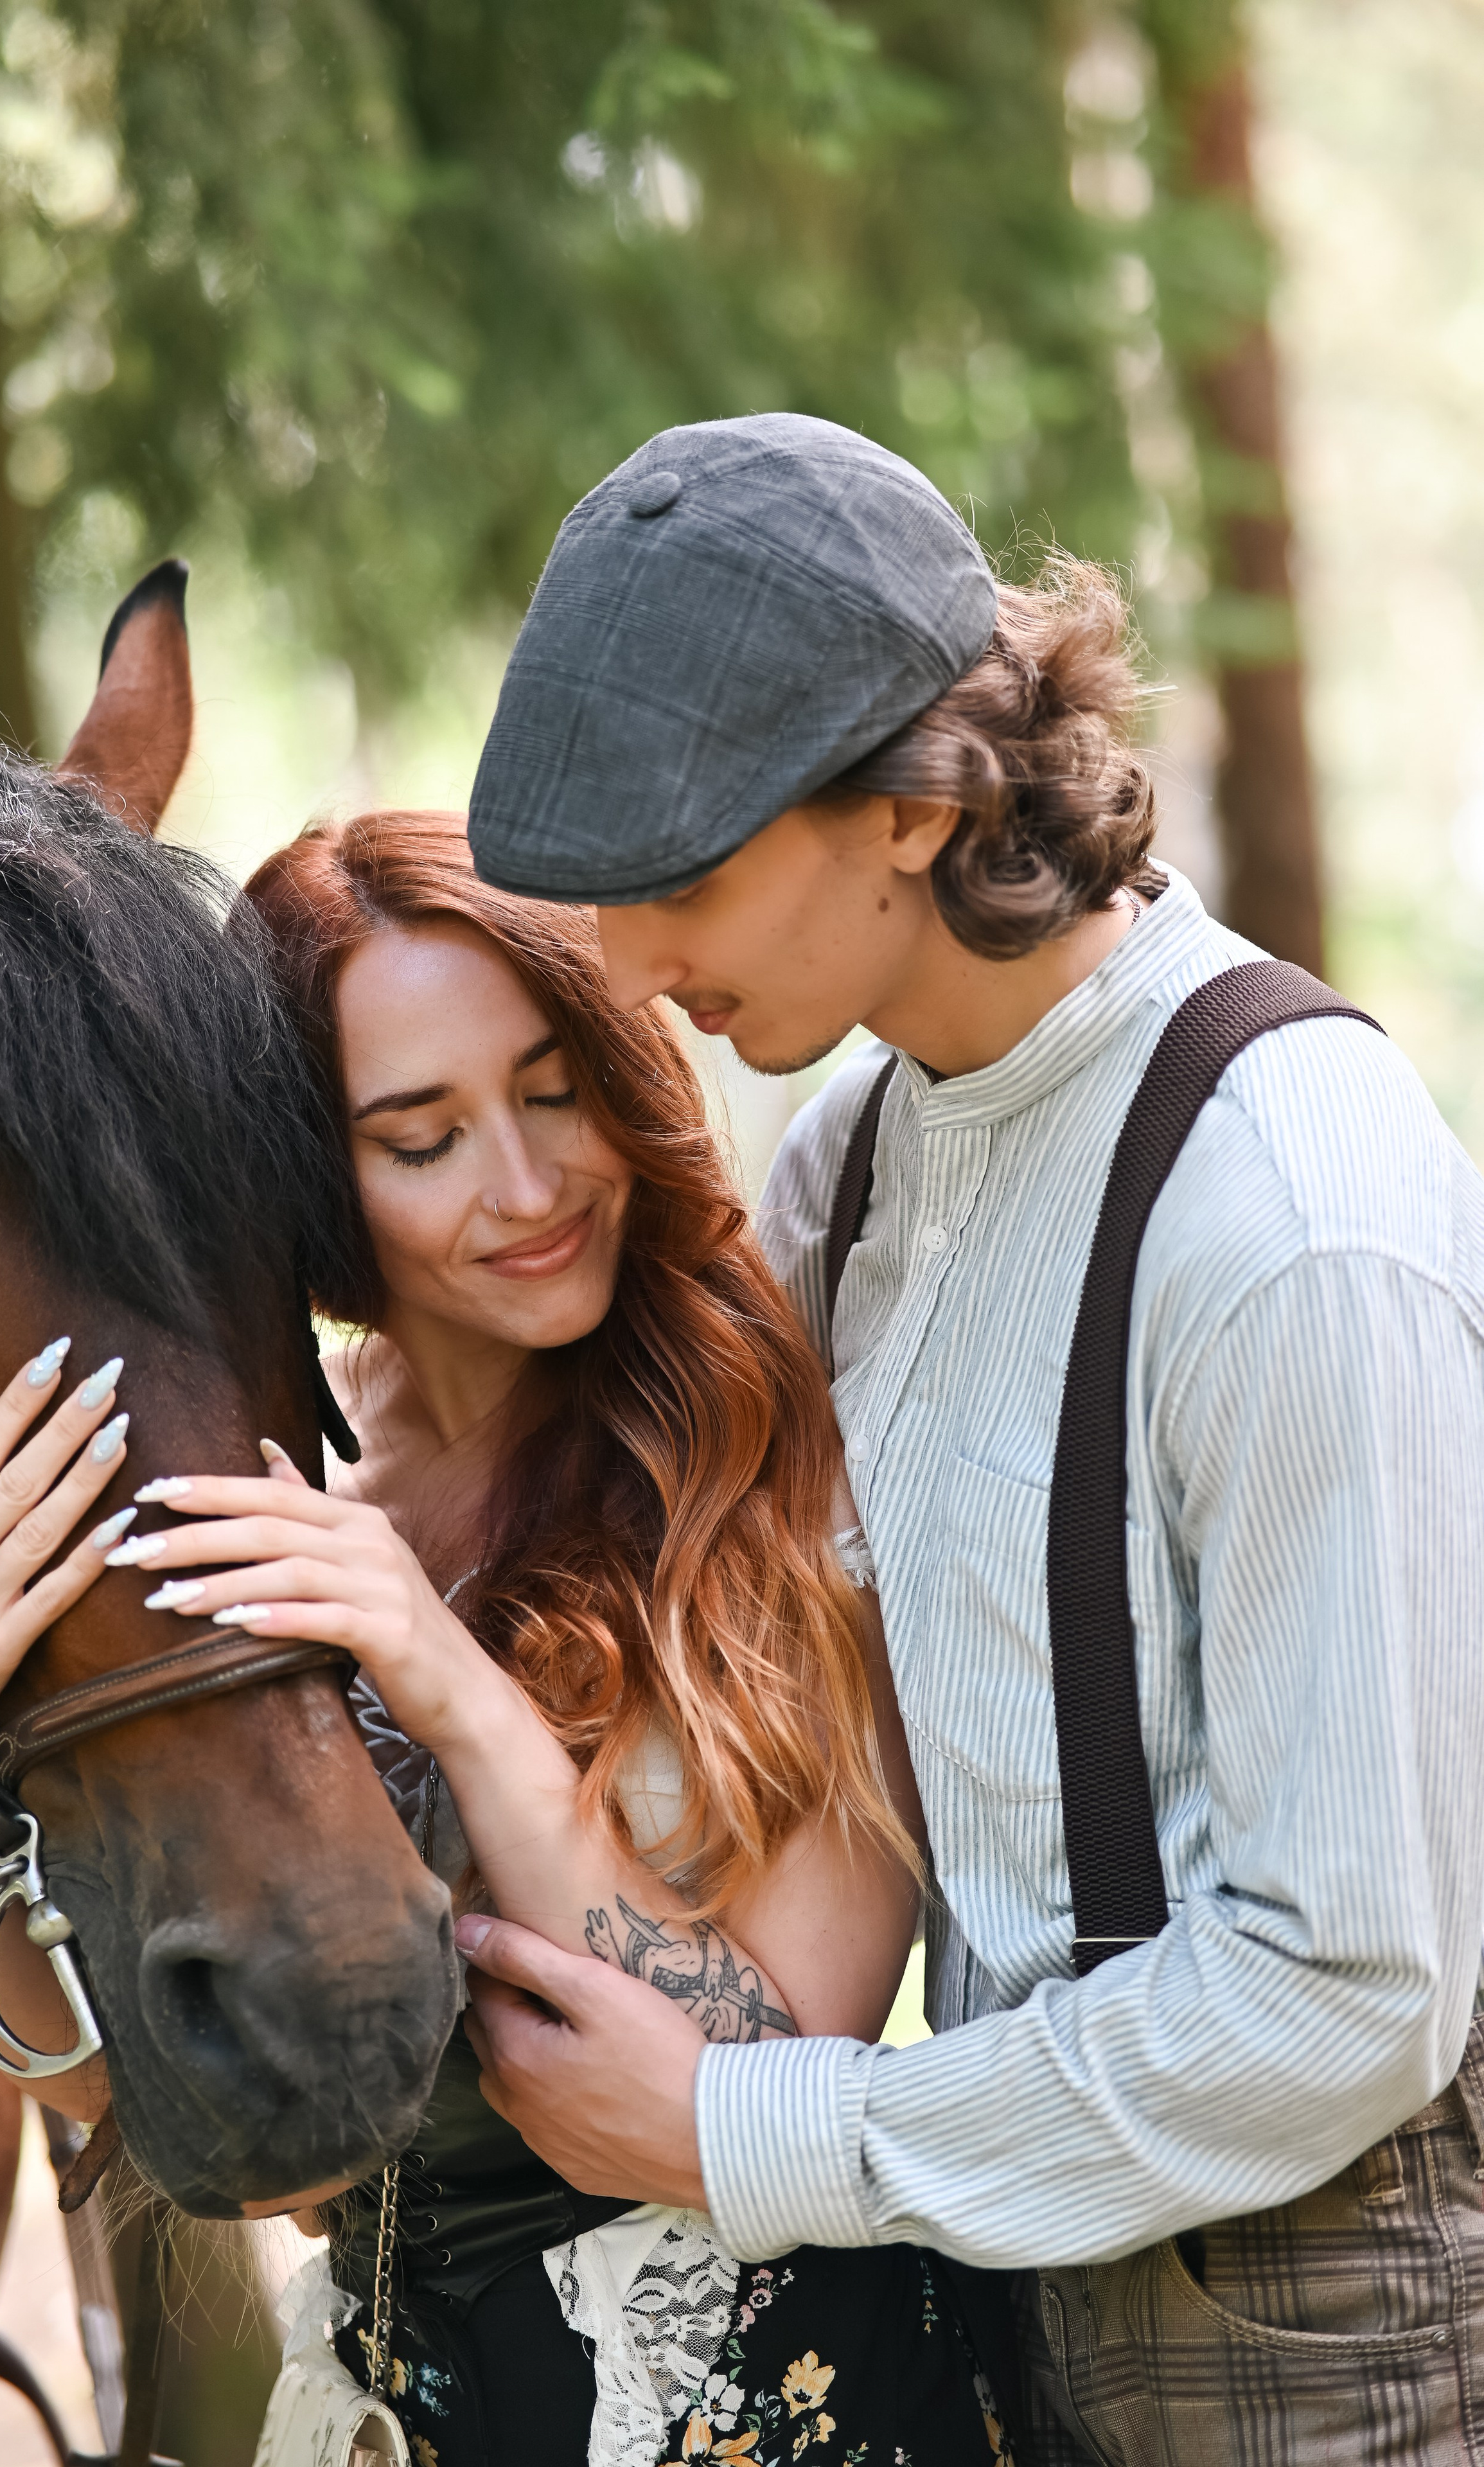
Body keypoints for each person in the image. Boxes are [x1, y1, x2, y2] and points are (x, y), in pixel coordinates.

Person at [434, 412, 1484, 2464]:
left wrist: (757, 2131)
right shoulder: (845, 1176)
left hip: (1345, 2346)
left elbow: (1352, 1990)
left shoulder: (1292, 1211)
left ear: (913, 808)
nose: (629, 969)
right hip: (1003, 2302)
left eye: (686, 879)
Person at [0, 808, 1018, 2467]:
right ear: (306, 1182)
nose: (527, 1189)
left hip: (779, 2414)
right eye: (423, 1138)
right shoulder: (256, 1487)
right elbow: (162, 2097)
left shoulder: (764, 1446)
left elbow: (776, 2067)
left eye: (555, 1091)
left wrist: (442, 1675)